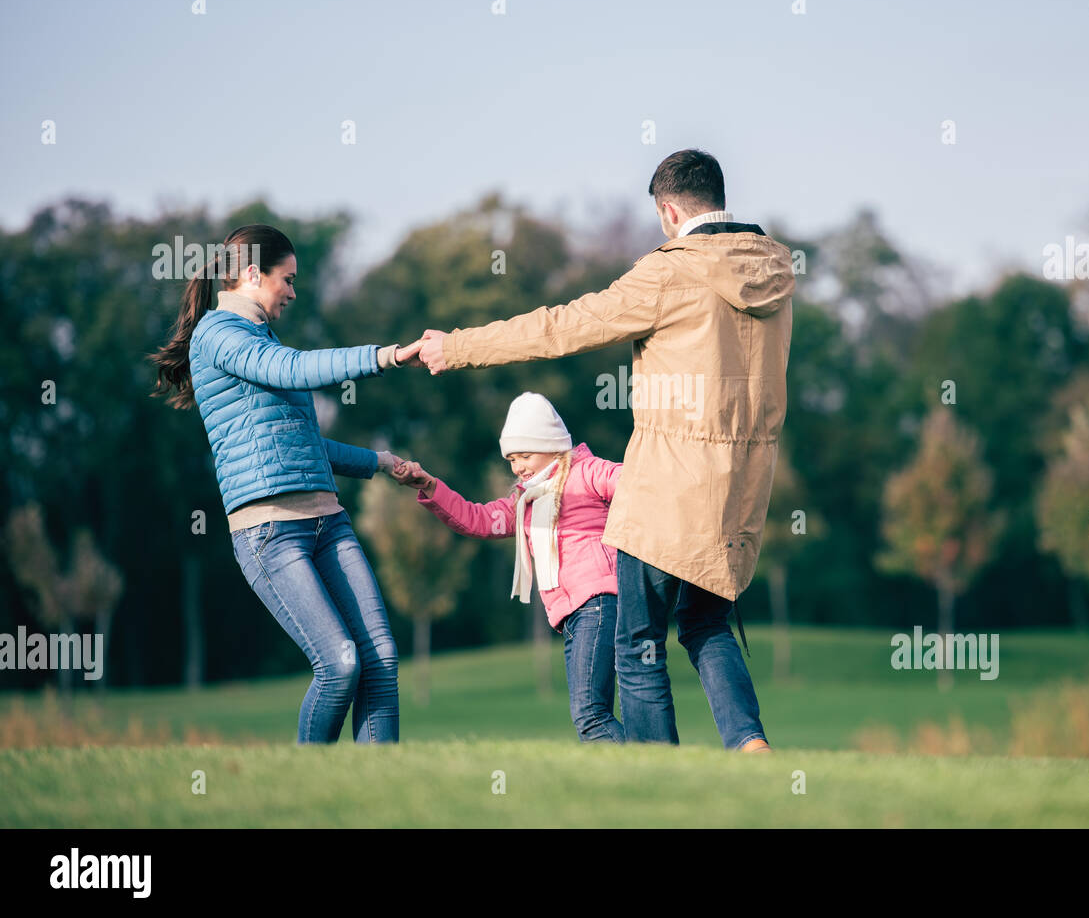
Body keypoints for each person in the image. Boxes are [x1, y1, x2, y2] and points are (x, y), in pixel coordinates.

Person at [416, 149, 794, 751]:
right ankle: (750, 745)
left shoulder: (671, 271)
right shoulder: (773, 275)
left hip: (667, 490)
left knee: (638, 644)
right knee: (704, 624)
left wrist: (458, 347)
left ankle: (654, 776)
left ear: (669, 211)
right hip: (741, 492)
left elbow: (563, 326)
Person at [149, 224, 426, 744]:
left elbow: (304, 446)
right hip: (271, 534)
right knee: (340, 663)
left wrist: (382, 462)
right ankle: (300, 785)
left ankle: (385, 800)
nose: (293, 293)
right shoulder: (219, 336)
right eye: (288, 280)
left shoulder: (260, 341)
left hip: (328, 523)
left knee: (380, 659)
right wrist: (385, 355)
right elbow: (296, 369)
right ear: (254, 274)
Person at [396, 392, 625, 743]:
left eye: (525, 455)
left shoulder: (586, 472)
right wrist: (431, 487)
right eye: (512, 459)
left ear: (552, 446)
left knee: (590, 714)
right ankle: (643, 765)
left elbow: (635, 483)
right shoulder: (526, 501)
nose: (517, 467)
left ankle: (636, 771)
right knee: (590, 713)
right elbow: (479, 519)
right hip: (572, 615)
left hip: (598, 602)